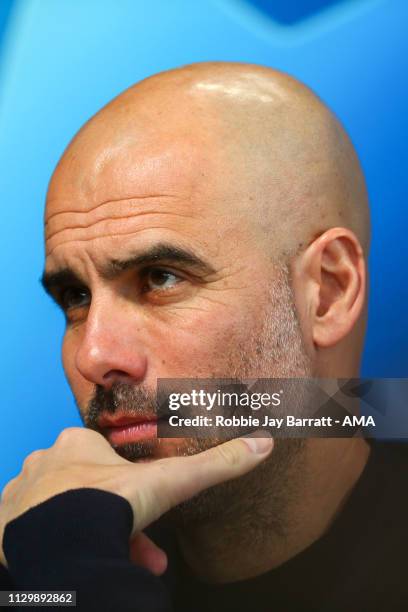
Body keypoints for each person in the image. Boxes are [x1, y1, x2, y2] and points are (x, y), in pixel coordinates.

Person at [0, 62, 407, 611]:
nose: (94, 355)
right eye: (76, 297)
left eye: (161, 279)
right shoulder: (38, 567)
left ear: (328, 293)